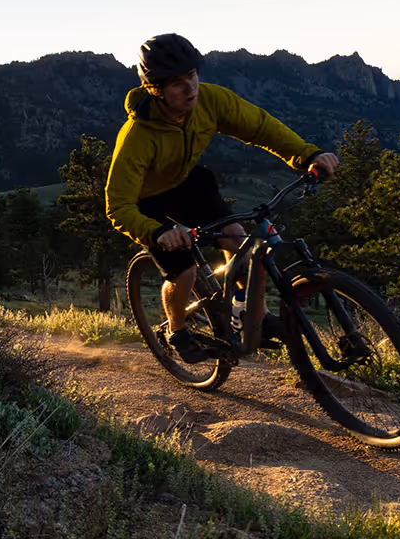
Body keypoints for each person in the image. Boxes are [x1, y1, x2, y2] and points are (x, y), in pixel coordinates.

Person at [103, 33, 339, 357]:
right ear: (154, 89)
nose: (190, 88)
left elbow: (260, 127)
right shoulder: (137, 137)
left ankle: (249, 316)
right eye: (177, 83)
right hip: (147, 203)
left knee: (239, 242)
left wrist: (307, 155)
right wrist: (159, 232)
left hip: (188, 182)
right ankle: (177, 332)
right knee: (183, 270)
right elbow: (118, 205)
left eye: (192, 75)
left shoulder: (211, 100)